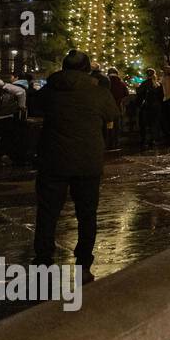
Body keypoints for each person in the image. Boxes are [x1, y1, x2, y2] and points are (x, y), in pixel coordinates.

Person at [32, 50, 121, 280]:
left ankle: (43, 260)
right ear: (86, 67)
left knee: (48, 213)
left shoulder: (50, 89)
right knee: (87, 214)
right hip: (87, 160)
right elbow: (113, 113)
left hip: (53, 159)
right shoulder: (97, 91)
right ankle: (83, 264)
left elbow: (34, 105)